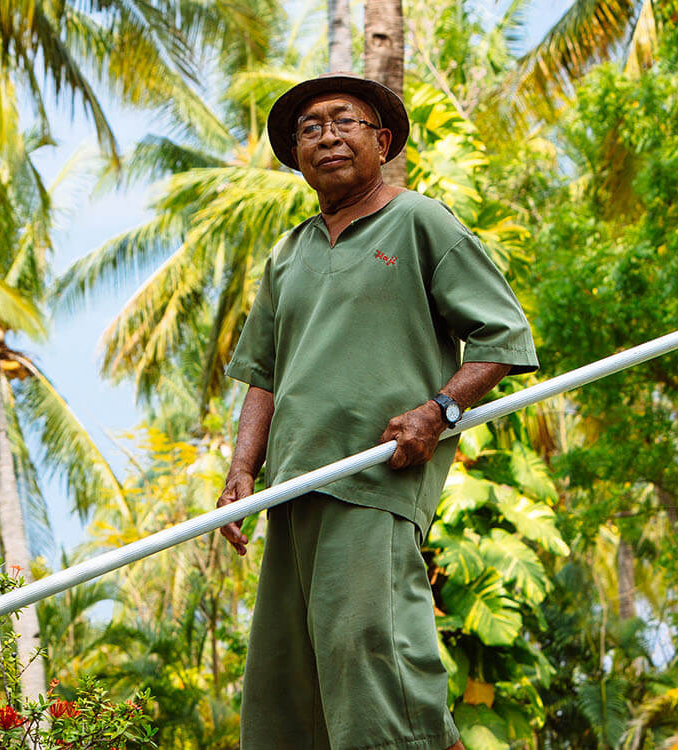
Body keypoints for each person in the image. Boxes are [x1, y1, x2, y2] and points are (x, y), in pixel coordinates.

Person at [217, 73, 538, 750]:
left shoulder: (418, 220)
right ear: (296, 154)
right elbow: (264, 376)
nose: (327, 137)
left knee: (375, 657)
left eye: (344, 122)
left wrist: (440, 411)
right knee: (287, 690)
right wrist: (242, 469)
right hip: (294, 488)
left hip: (374, 478)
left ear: (382, 140)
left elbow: (502, 337)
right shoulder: (289, 254)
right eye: (310, 128)